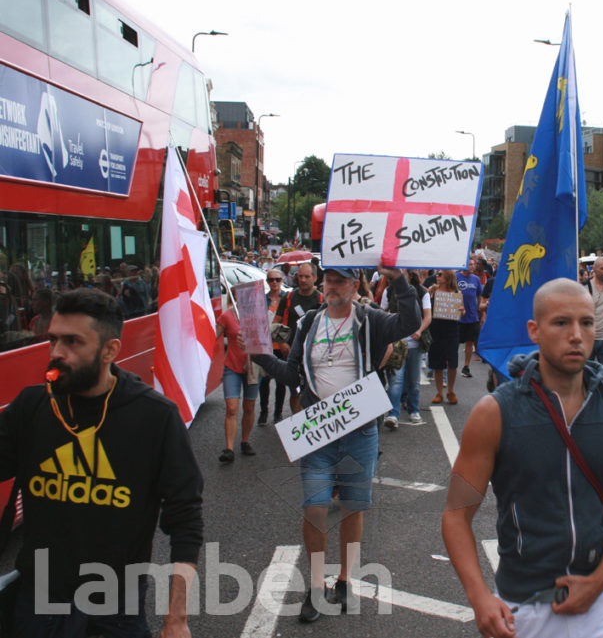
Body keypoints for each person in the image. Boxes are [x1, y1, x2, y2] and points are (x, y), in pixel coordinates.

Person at [442, 278, 603, 638]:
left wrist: (600, 581)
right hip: (525, 605)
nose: (576, 335)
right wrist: (479, 598)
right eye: (561, 323)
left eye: (586, 322)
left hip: (601, 603)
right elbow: (456, 515)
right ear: (534, 331)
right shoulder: (494, 413)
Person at [0, 288, 202, 637]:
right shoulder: (33, 406)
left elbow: (185, 520)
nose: (56, 353)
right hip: (37, 604)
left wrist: (176, 619)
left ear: (110, 350)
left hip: (112, 609)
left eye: (73, 342)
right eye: (53, 340)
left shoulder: (154, 417)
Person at [252, 265, 420, 623]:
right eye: (328, 279)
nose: (331, 285)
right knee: (314, 508)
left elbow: (409, 322)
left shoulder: (370, 320)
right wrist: (259, 356)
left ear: (354, 284)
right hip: (318, 429)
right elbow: (291, 373)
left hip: (359, 428)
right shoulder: (310, 322)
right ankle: (315, 589)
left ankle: (344, 580)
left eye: (339, 280)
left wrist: (398, 279)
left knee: (352, 506)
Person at [382, 270, 432, 428]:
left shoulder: (422, 291)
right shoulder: (389, 291)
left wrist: (419, 330)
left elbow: (428, 316)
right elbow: (383, 312)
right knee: (395, 380)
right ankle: (393, 414)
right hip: (396, 343)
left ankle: (413, 409)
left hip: (415, 344)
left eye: (402, 272)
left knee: (414, 380)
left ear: (410, 274)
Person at [274, 262, 323, 414]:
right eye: (300, 276)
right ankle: (298, 423)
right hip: (291, 354)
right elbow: (276, 323)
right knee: (295, 391)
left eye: (307, 277)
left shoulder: (321, 299)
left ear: (315, 278)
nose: (302, 280)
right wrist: (281, 342)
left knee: (314, 390)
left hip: (315, 354)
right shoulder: (288, 298)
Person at [215, 290, 258, 462]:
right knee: (231, 408)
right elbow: (212, 337)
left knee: (249, 408)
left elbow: (266, 339)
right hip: (231, 367)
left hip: (252, 368)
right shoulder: (226, 316)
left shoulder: (257, 317)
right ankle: (229, 449)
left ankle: (245, 441)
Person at [428, 270, 464, 405]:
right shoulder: (432, 291)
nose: (437, 276)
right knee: (437, 362)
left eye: (440, 274)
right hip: (436, 329)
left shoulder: (457, 293)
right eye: (437, 274)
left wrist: (461, 310)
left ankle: (450, 390)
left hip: (451, 330)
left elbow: (462, 312)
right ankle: (439, 392)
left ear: (448, 277)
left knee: (452, 361)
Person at [258, 270, 289, 426]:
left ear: (282, 280)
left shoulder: (287, 298)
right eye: (271, 280)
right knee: (264, 380)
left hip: (281, 345)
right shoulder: (263, 299)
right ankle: (263, 413)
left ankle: (278, 413)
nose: (274, 282)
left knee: (281, 381)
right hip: (266, 345)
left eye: (277, 279)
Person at [457, 259, 484, 378]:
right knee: (455, 343)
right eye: (470, 264)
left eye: (473, 264)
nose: (472, 266)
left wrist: (481, 311)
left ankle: (466, 366)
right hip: (457, 317)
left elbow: (480, 296)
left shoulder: (476, 279)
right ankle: (451, 365)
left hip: (472, 316)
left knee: (470, 342)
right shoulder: (456, 277)